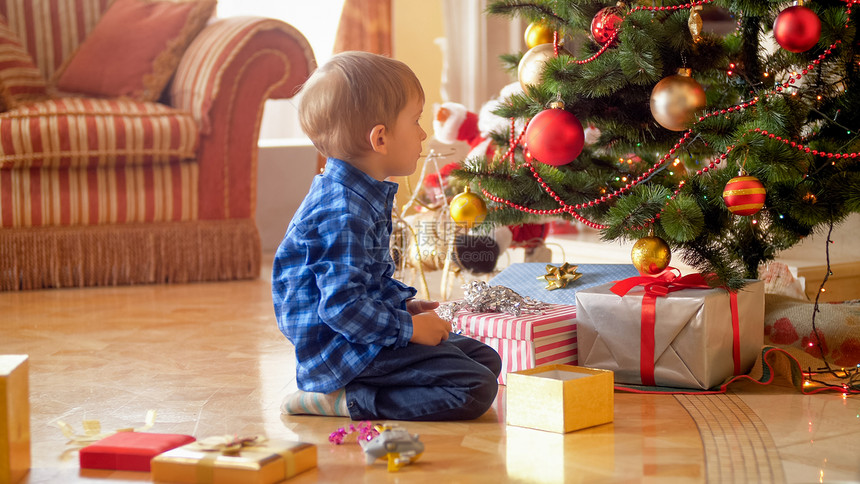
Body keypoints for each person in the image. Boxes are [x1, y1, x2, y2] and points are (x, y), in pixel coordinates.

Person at [272, 51, 501, 421]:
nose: (424, 133)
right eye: (415, 120)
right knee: (475, 387)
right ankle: (343, 400)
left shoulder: (360, 193)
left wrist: (405, 309)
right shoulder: (342, 212)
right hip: (341, 349)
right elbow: (342, 308)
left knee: (485, 359)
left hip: (360, 335)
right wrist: (407, 328)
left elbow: (363, 284)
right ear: (380, 138)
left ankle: (364, 387)